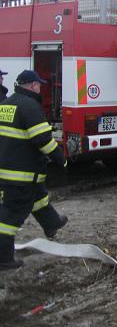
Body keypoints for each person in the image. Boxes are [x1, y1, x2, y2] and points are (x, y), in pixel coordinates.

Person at [0, 70, 68, 270]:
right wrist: (60, 158)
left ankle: (52, 223)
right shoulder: (30, 107)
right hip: (21, 174)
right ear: (32, 85)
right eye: (38, 84)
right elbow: (43, 140)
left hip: (9, 168)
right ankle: (4, 258)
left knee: (38, 197)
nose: (40, 87)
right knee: (11, 215)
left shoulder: (6, 104)